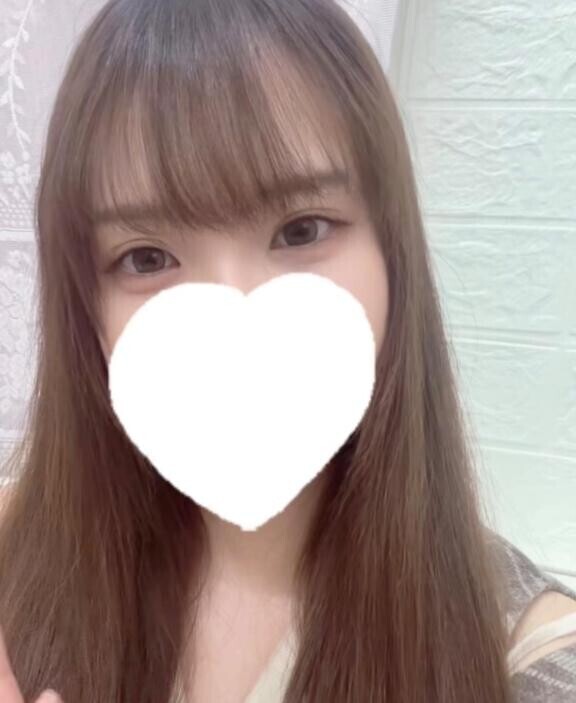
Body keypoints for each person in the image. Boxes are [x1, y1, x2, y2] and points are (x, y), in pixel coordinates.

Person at [0, 0, 575, 701]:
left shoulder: (525, 655)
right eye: (146, 258)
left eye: (301, 230)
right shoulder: (21, 549)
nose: (233, 319)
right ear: (87, 311)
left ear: (393, 254)